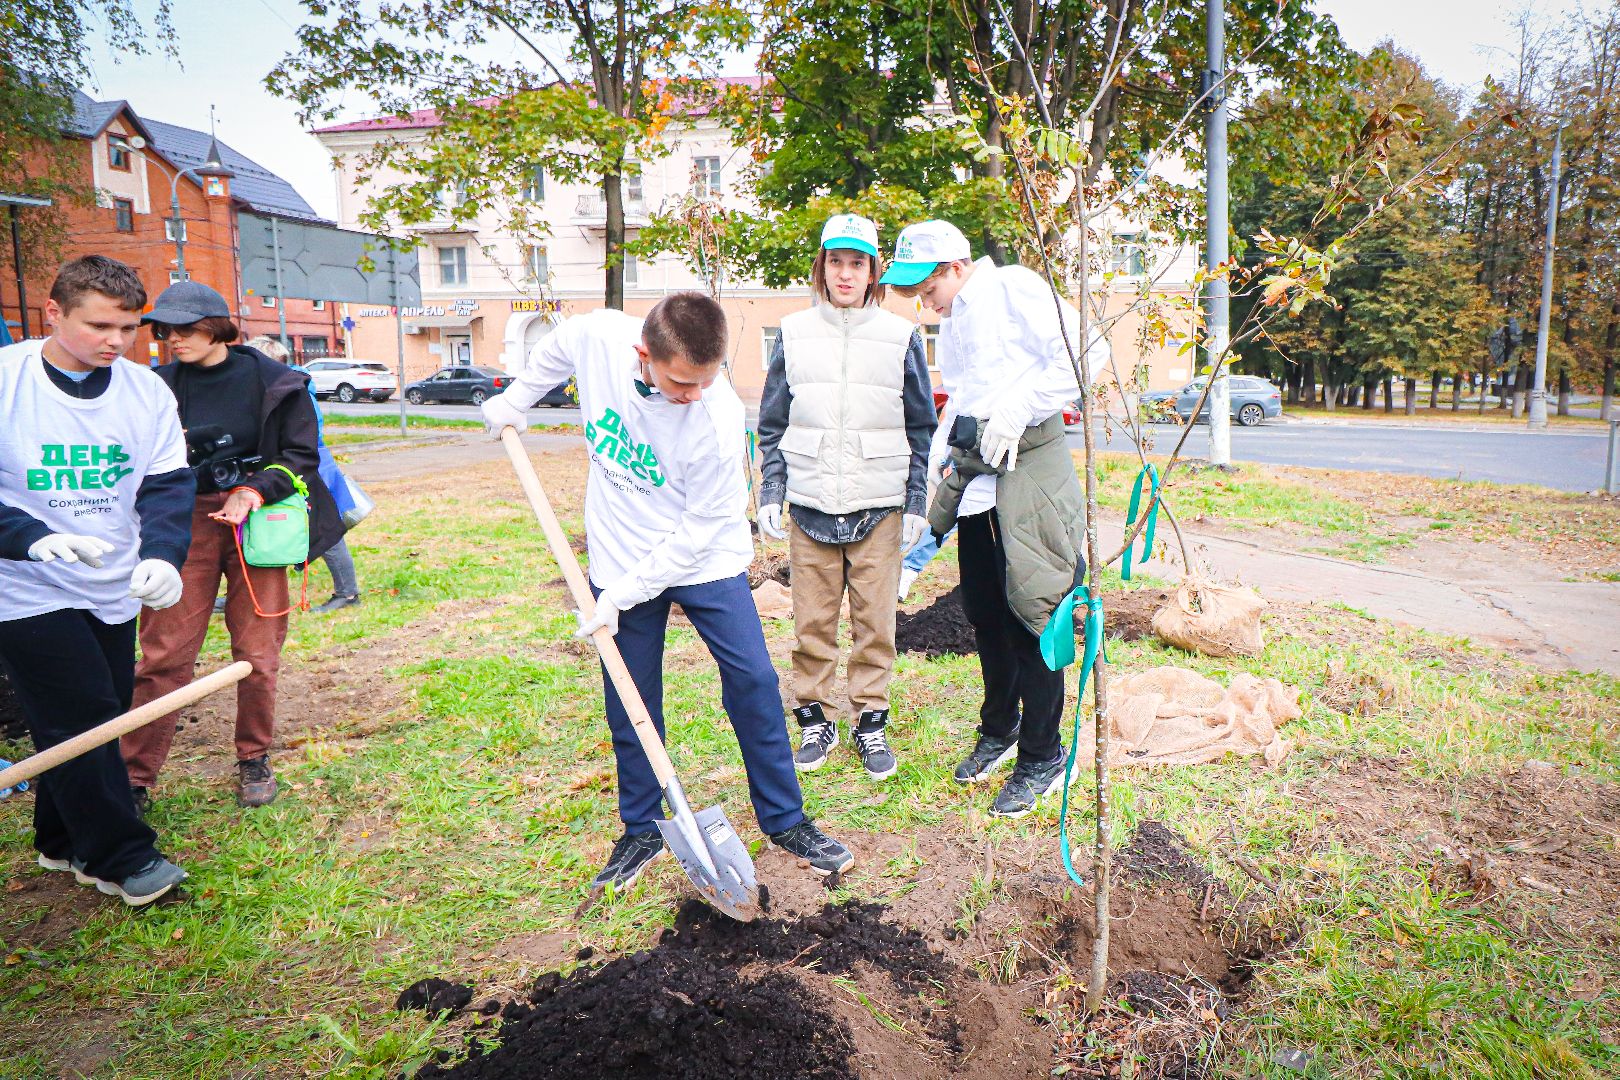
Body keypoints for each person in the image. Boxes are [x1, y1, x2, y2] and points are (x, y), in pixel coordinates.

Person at [481, 292, 854, 890]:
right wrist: (516, 399)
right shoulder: (600, 337)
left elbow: (698, 531)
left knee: (755, 680)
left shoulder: (717, 418)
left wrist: (623, 594)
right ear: (643, 354)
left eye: (706, 380)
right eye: (682, 381)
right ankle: (643, 828)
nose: (694, 394)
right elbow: (558, 346)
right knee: (630, 692)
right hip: (620, 549)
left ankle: (785, 820)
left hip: (704, 559)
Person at [881, 221, 1107, 819]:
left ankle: (1043, 754)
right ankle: (1000, 728)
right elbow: (960, 395)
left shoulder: (1013, 288)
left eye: (927, 287)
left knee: (1033, 616)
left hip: (1029, 475)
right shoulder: (956, 318)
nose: (924, 302)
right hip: (977, 481)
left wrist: (1019, 408)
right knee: (984, 612)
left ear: (955, 267)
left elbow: (1089, 353)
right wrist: (938, 461)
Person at [0, 255, 192, 905]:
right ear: (53, 312)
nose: (117, 341)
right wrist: (29, 538)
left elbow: (166, 484)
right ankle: (122, 857)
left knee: (95, 712)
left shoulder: (146, 393)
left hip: (112, 583)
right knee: (82, 716)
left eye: (129, 328)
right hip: (22, 585)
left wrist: (163, 555)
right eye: (100, 326)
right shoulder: (7, 381)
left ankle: (61, 841)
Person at [122, 283, 344, 811]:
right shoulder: (155, 386)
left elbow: (301, 456)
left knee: (258, 653)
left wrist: (254, 489)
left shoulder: (277, 382)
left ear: (217, 327)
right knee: (164, 653)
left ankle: (254, 757)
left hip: (259, 520)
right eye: (164, 329)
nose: (172, 338)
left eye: (185, 328)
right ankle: (133, 777)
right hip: (182, 520)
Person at [755, 214, 934, 779]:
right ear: (822, 266)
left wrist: (916, 501)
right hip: (810, 502)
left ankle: (870, 721)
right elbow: (772, 424)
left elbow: (921, 428)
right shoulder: (792, 333)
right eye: (836, 261)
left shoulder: (902, 336)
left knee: (875, 624)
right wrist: (771, 490)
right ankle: (816, 719)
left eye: (858, 263)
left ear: (873, 271)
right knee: (812, 623)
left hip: (879, 504)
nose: (846, 273)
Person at [243, 335, 362, 613]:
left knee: (325, 531)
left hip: (309, 469)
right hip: (297, 467)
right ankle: (248, 593)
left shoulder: (293, 389)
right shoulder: (276, 386)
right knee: (271, 528)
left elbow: (306, 435)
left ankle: (347, 593)